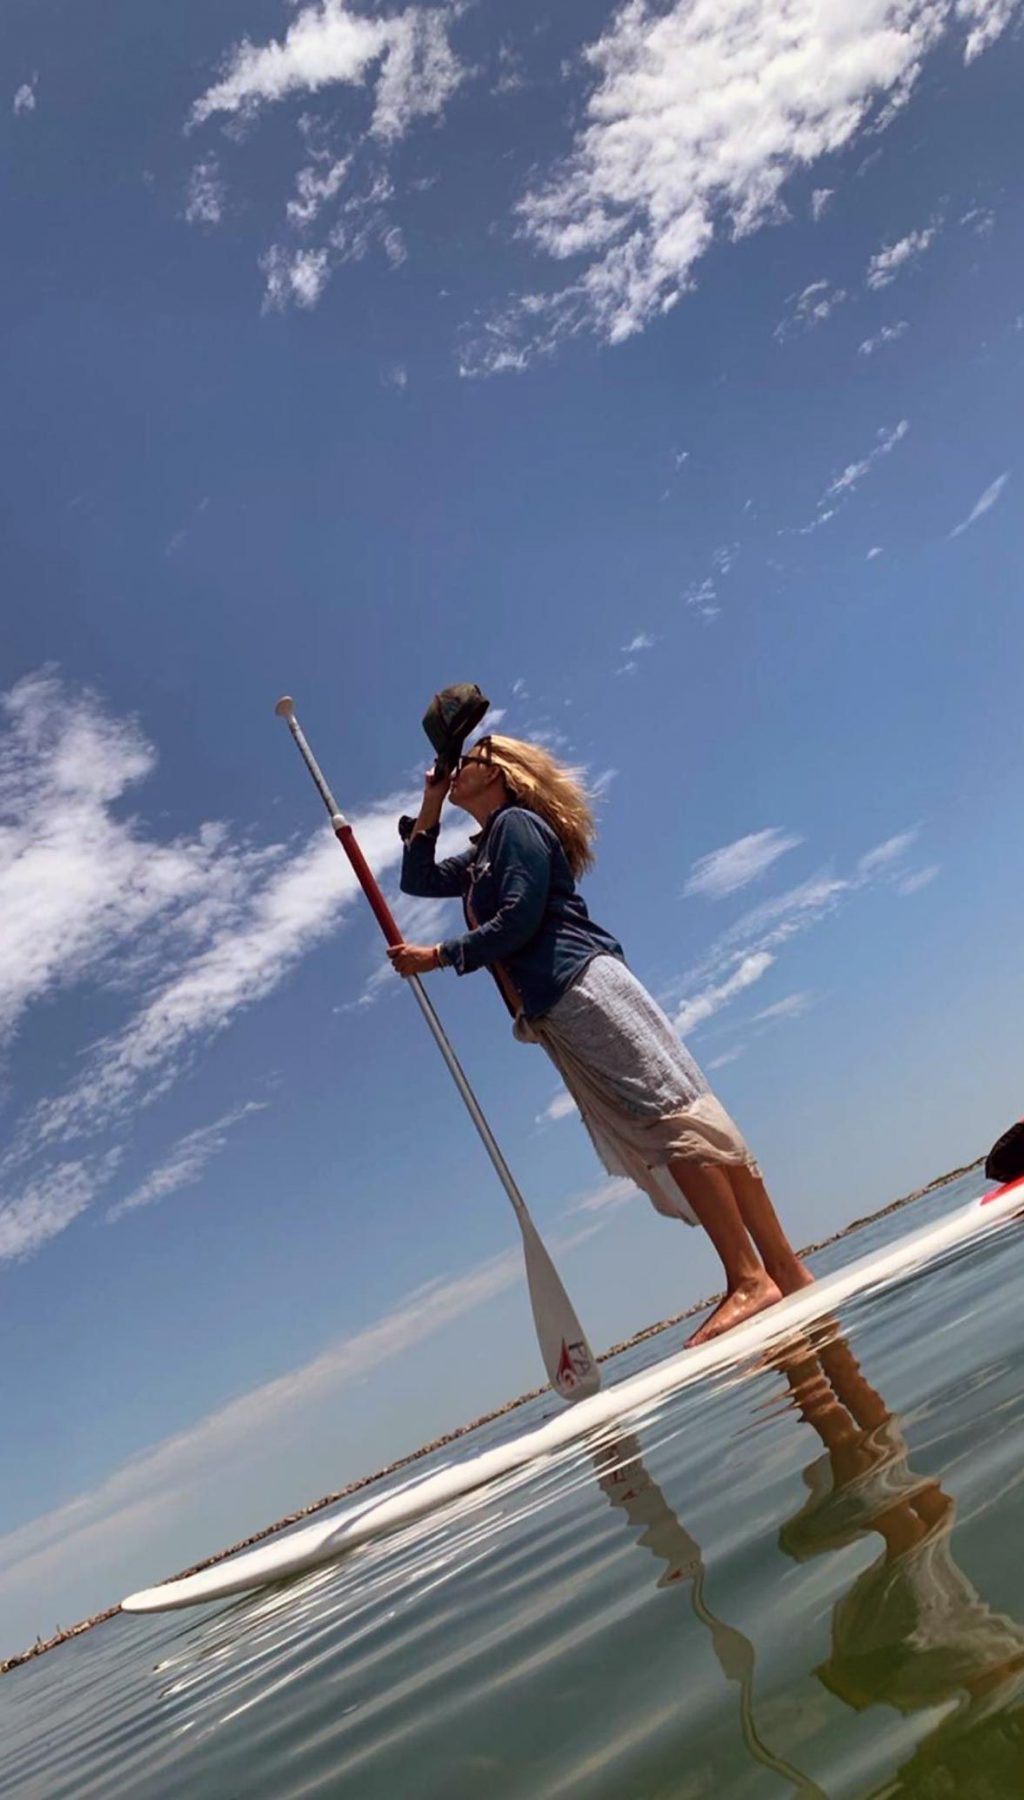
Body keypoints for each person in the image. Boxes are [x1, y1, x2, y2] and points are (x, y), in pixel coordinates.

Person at [388, 734, 811, 1343]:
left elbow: (520, 918)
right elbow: (418, 878)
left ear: (502, 772)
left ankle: (749, 1278)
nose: (458, 767)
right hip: (571, 993)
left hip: (578, 984)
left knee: (665, 1114)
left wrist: (440, 955)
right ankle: (786, 1271)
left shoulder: (515, 826)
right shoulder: (484, 853)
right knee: (680, 1109)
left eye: (470, 758)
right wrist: (431, 800)